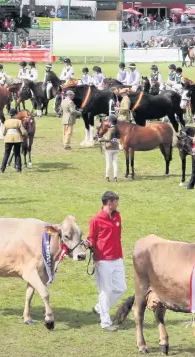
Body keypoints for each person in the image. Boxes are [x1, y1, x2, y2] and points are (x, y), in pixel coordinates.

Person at [83, 191, 127, 332]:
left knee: (121, 288)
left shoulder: (117, 216)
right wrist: (88, 244)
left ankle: (99, 308)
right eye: (116, 201)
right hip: (103, 261)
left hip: (117, 258)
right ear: (109, 203)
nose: (117, 204)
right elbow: (91, 238)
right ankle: (105, 322)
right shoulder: (96, 220)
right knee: (105, 291)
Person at [1, 108, 27, 173]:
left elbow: (3, 132)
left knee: (6, 153)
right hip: (17, 139)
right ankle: (19, 168)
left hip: (8, 139)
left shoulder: (6, 122)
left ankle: (3, 168)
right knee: (17, 153)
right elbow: (23, 132)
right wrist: (25, 134)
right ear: (15, 114)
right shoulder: (18, 121)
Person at [98, 115, 120, 182]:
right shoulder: (117, 128)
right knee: (115, 162)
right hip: (116, 147)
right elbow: (118, 137)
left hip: (109, 148)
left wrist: (101, 139)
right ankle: (115, 177)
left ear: (110, 122)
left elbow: (108, 139)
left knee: (108, 163)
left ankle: (107, 176)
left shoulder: (110, 130)